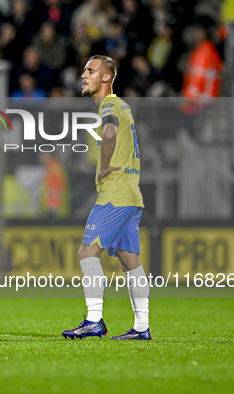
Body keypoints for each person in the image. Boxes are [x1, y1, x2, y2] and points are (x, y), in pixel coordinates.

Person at [61, 55, 150, 340]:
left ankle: (94, 320)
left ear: (106, 78)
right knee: (129, 261)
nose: (84, 75)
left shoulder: (110, 104)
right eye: (84, 70)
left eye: (90, 70)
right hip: (131, 194)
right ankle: (141, 327)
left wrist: (105, 164)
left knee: (87, 253)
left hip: (115, 195)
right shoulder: (123, 105)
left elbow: (109, 133)